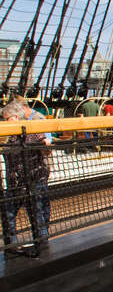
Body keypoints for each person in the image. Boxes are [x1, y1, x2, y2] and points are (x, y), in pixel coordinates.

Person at [2, 100, 51, 246]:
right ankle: (12, 243)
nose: (4, 122)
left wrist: (47, 145)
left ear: (16, 117)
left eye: (7, 119)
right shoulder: (6, 135)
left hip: (34, 178)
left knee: (37, 211)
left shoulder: (31, 129)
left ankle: (42, 242)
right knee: (9, 213)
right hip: (15, 181)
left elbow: (46, 149)